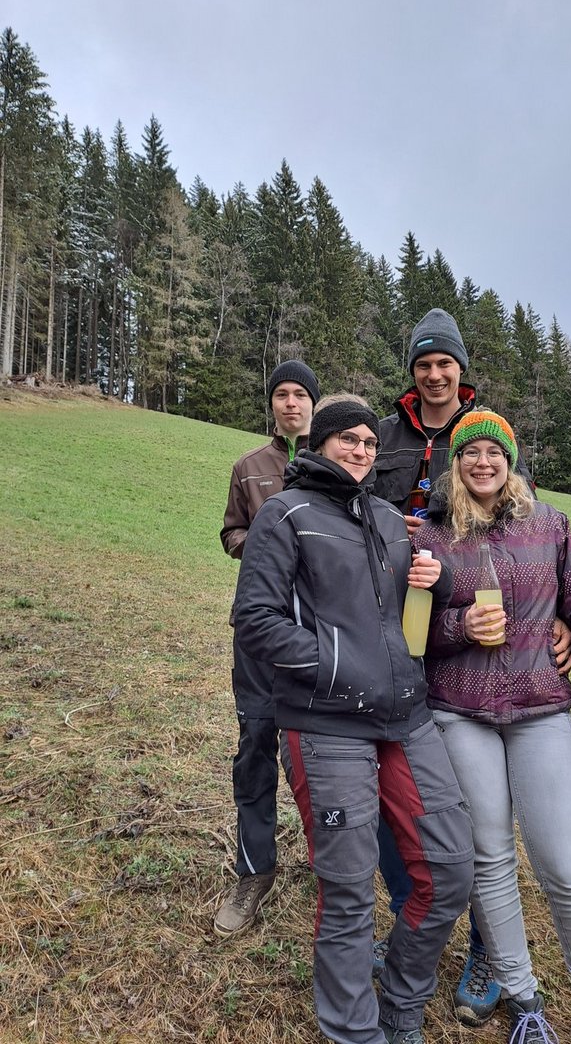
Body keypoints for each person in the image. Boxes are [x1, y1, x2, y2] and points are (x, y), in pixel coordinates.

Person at [233, 396, 474, 1044]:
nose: (363, 450)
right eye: (349, 439)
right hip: (325, 720)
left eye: (370, 441)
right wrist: (339, 664)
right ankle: (354, 1032)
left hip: (404, 718)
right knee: (347, 890)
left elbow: (405, 610)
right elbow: (255, 620)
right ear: (320, 443)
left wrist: (438, 580)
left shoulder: (388, 519)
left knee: (450, 869)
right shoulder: (286, 514)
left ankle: (401, 1003)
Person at [372, 308, 571, 1026]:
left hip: (469, 654)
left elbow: (527, 542)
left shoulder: (485, 437)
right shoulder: (380, 435)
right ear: (413, 371)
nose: (435, 374)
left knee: (485, 821)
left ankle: (487, 951)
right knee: (404, 797)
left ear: (461, 371)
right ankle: (416, 928)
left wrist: (553, 618)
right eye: (424, 363)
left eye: (445, 364)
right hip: (389, 631)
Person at [412, 409, 571, 1044]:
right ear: (455, 463)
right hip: (461, 712)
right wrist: (459, 627)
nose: (482, 463)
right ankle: (523, 1000)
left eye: (494, 453)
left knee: (563, 863)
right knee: (489, 860)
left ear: (510, 463)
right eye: (470, 453)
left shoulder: (551, 526)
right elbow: (411, 636)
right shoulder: (432, 536)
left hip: (540, 710)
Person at [213, 359, 320, 938]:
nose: (291, 403)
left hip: (317, 632)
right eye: (282, 394)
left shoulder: (336, 463)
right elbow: (230, 532)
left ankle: (330, 865)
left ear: (313, 404)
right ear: (272, 405)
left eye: (300, 394)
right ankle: (255, 870)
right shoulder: (249, 468)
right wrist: (262, 539)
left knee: (318, 752)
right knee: (255, 742)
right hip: (257, 630)